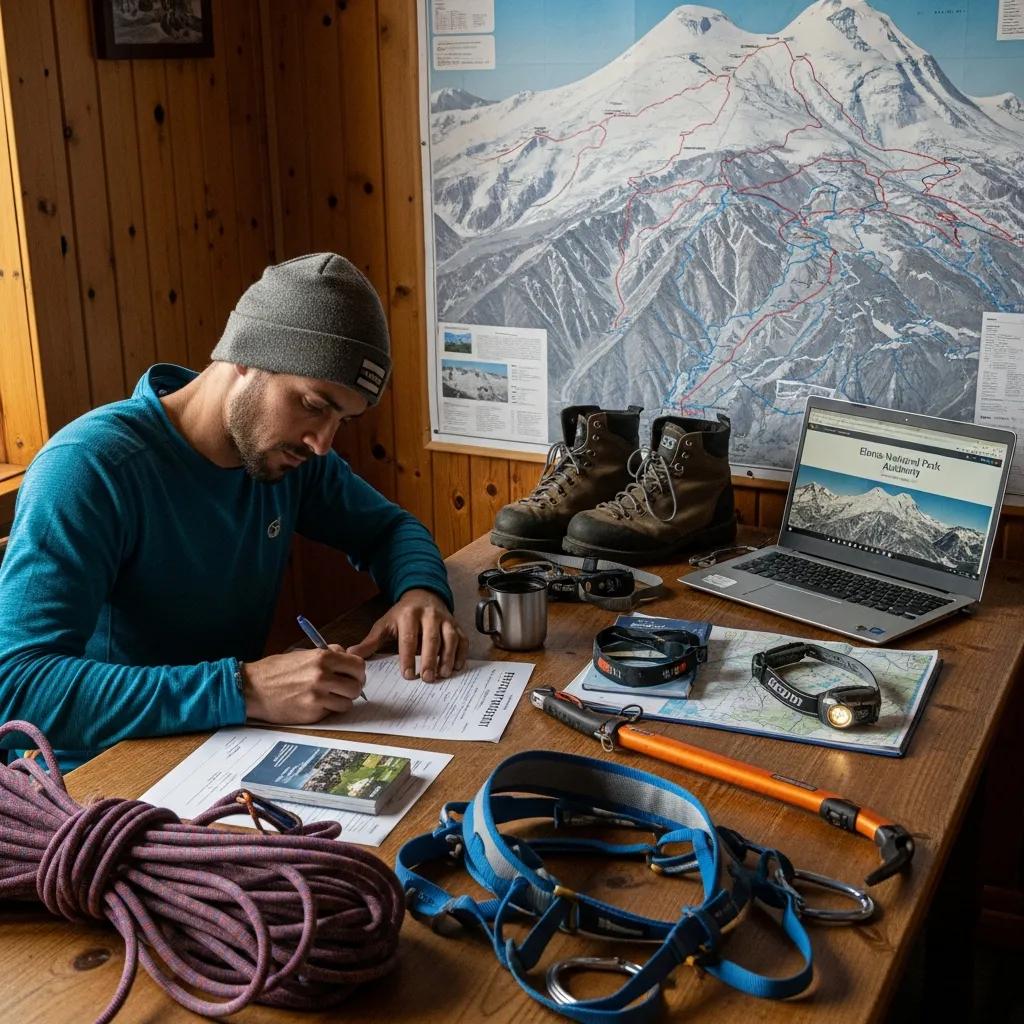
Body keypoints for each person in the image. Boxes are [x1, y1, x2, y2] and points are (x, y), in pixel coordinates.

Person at [0, 252, 468, 771]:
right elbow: (17, 684)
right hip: (98, 782)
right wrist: (241, 688)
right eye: (313, 404)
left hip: (224, 749)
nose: (321, 442)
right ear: (245, 355)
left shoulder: (287, 457)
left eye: (342, 419)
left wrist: (421, 592)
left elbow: (389, 528)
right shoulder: (89, 469)